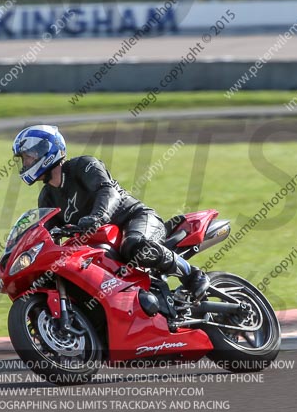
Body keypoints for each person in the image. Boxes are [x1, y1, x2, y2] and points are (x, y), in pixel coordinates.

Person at [12, 124, 210, 301]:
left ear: (46, 151)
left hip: (135, 217)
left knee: (135, 245)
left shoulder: (83, 165)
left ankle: (193, 275)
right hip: (102, 241)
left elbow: (108, 191)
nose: (25, 163)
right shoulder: (47, 197)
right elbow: (46, 234)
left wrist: (98, 217)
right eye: (24, 158)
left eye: (29, 156)